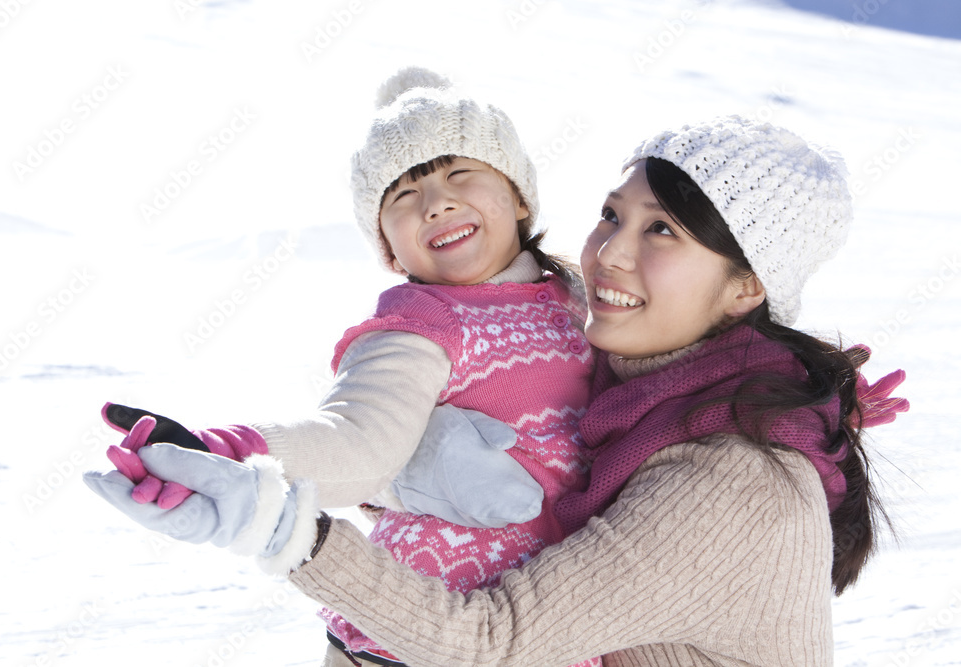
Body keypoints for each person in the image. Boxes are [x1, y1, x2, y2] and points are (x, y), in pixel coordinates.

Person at [87, 116, 907, 666]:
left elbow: (491, 638)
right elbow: (366, 432)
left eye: (663, 230)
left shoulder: (728, 479)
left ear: (744, 290)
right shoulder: (646, 393)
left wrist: (279, 527)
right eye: (612, 215)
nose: (608, 255)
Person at [86, 67, 599, 667]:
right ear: (387, 244)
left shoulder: (579, 298)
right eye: (404, 195)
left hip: (549, 627)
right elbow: (359, 444)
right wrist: (230, 452)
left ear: (517, 195)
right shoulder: (420, 323)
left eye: (459, 172)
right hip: (417, 631)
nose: (437, 203)